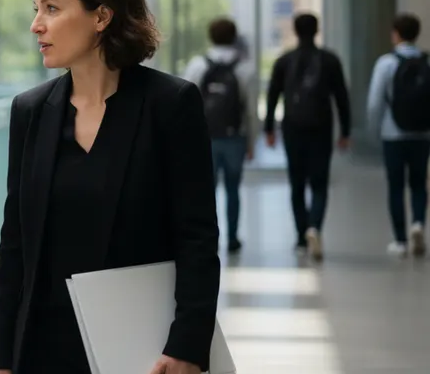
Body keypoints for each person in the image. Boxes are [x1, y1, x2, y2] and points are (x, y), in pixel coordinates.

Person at [0, 0, 221, 374]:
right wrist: (0, 354)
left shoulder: (170, 105)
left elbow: (197, 237)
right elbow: (16, 243)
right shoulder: (30, 112)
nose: (37, 25)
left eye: (52, 9)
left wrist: (188, 346)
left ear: (101, 16)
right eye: (36, 10)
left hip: (146, 349)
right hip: (48, 353)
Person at [263, 13, 351, 260]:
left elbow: (272, 96)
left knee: (297, 182)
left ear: (295, 30)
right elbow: (341, 98)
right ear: (317, 30)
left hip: (293, 127)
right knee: (320, 182)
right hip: (322, 127)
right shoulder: (330, 60)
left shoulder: (284, 61)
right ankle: (315, 227)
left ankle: (301, 238)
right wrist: (345, 131)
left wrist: (269, 128)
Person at [182, 17, 258, 254]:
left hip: (204, 139)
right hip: (234, 137)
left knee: (205, 192)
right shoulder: (246, 68)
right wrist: (251, 143)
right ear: (234, 37)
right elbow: (251, 111)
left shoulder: (197, 65)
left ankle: (208, 239)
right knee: (233, 189)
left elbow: (184, 106)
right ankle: (233, 238)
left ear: (210, 36)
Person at [366, 13, 430, 257]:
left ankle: (400, 240)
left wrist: (375, 131)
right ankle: (418, 224)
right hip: (422, 134)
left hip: (393, 134)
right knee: (418, 185)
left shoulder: (386, 63)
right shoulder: (427, 61)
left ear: (395, 34)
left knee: (395, 186)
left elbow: (374, 103)